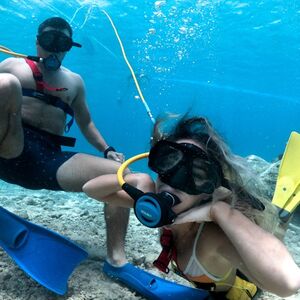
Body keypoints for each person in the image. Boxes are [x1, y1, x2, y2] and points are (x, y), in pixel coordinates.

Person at [83, 115, 300, 299]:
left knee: (276, 227)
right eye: (169, 164)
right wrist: (135, 179)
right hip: (213, 276)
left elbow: (288, 283)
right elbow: (90, 189)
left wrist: (220, 211)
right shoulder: (164, 209)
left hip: (239, 292)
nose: (173, 182)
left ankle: (283, 208)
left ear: (208, 190)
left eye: (195, 176)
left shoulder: (210, 238)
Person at [0, 17, 129, 272]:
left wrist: (108, 150)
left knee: (122, 176)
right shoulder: (11, 66)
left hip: (47, 162)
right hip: (8, 147)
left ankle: (116, 258)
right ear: (38, 43)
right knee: (6, 83)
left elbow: (87, 123)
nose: (55, 49)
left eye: (63, 43)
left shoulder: (75, 82)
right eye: (50, 41)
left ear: (70, 47)